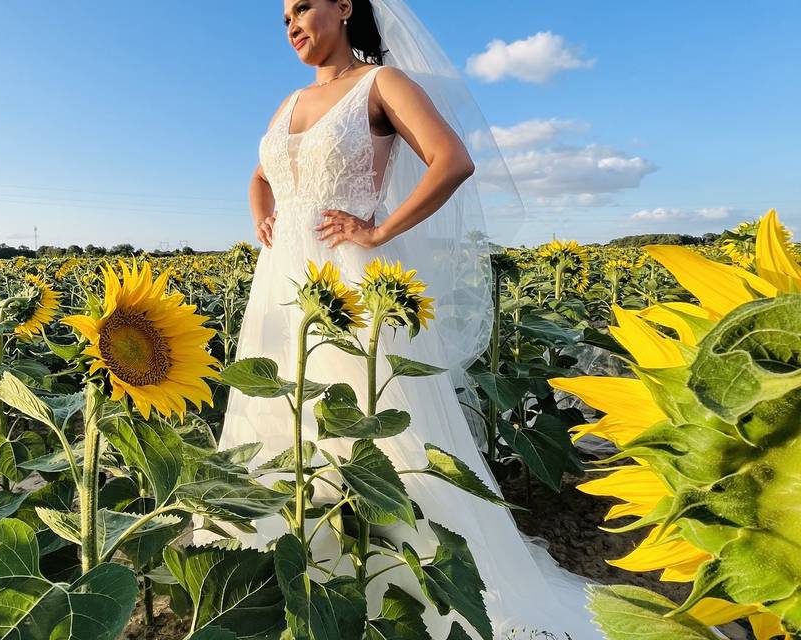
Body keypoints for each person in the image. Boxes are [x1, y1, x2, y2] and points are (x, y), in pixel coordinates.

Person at [207, 1, 604, 637]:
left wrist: (381, 228)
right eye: (283, 18)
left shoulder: (381, 82)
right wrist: (263, 216)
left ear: (344, 7)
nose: (292, 24)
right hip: (280, 287)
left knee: (376, 425)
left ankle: (400, 586)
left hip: (350, 281)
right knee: (283, 418)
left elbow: (452, 160)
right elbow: (261, 174)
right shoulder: (286, 103)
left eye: (304, 6)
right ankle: (293, 583)